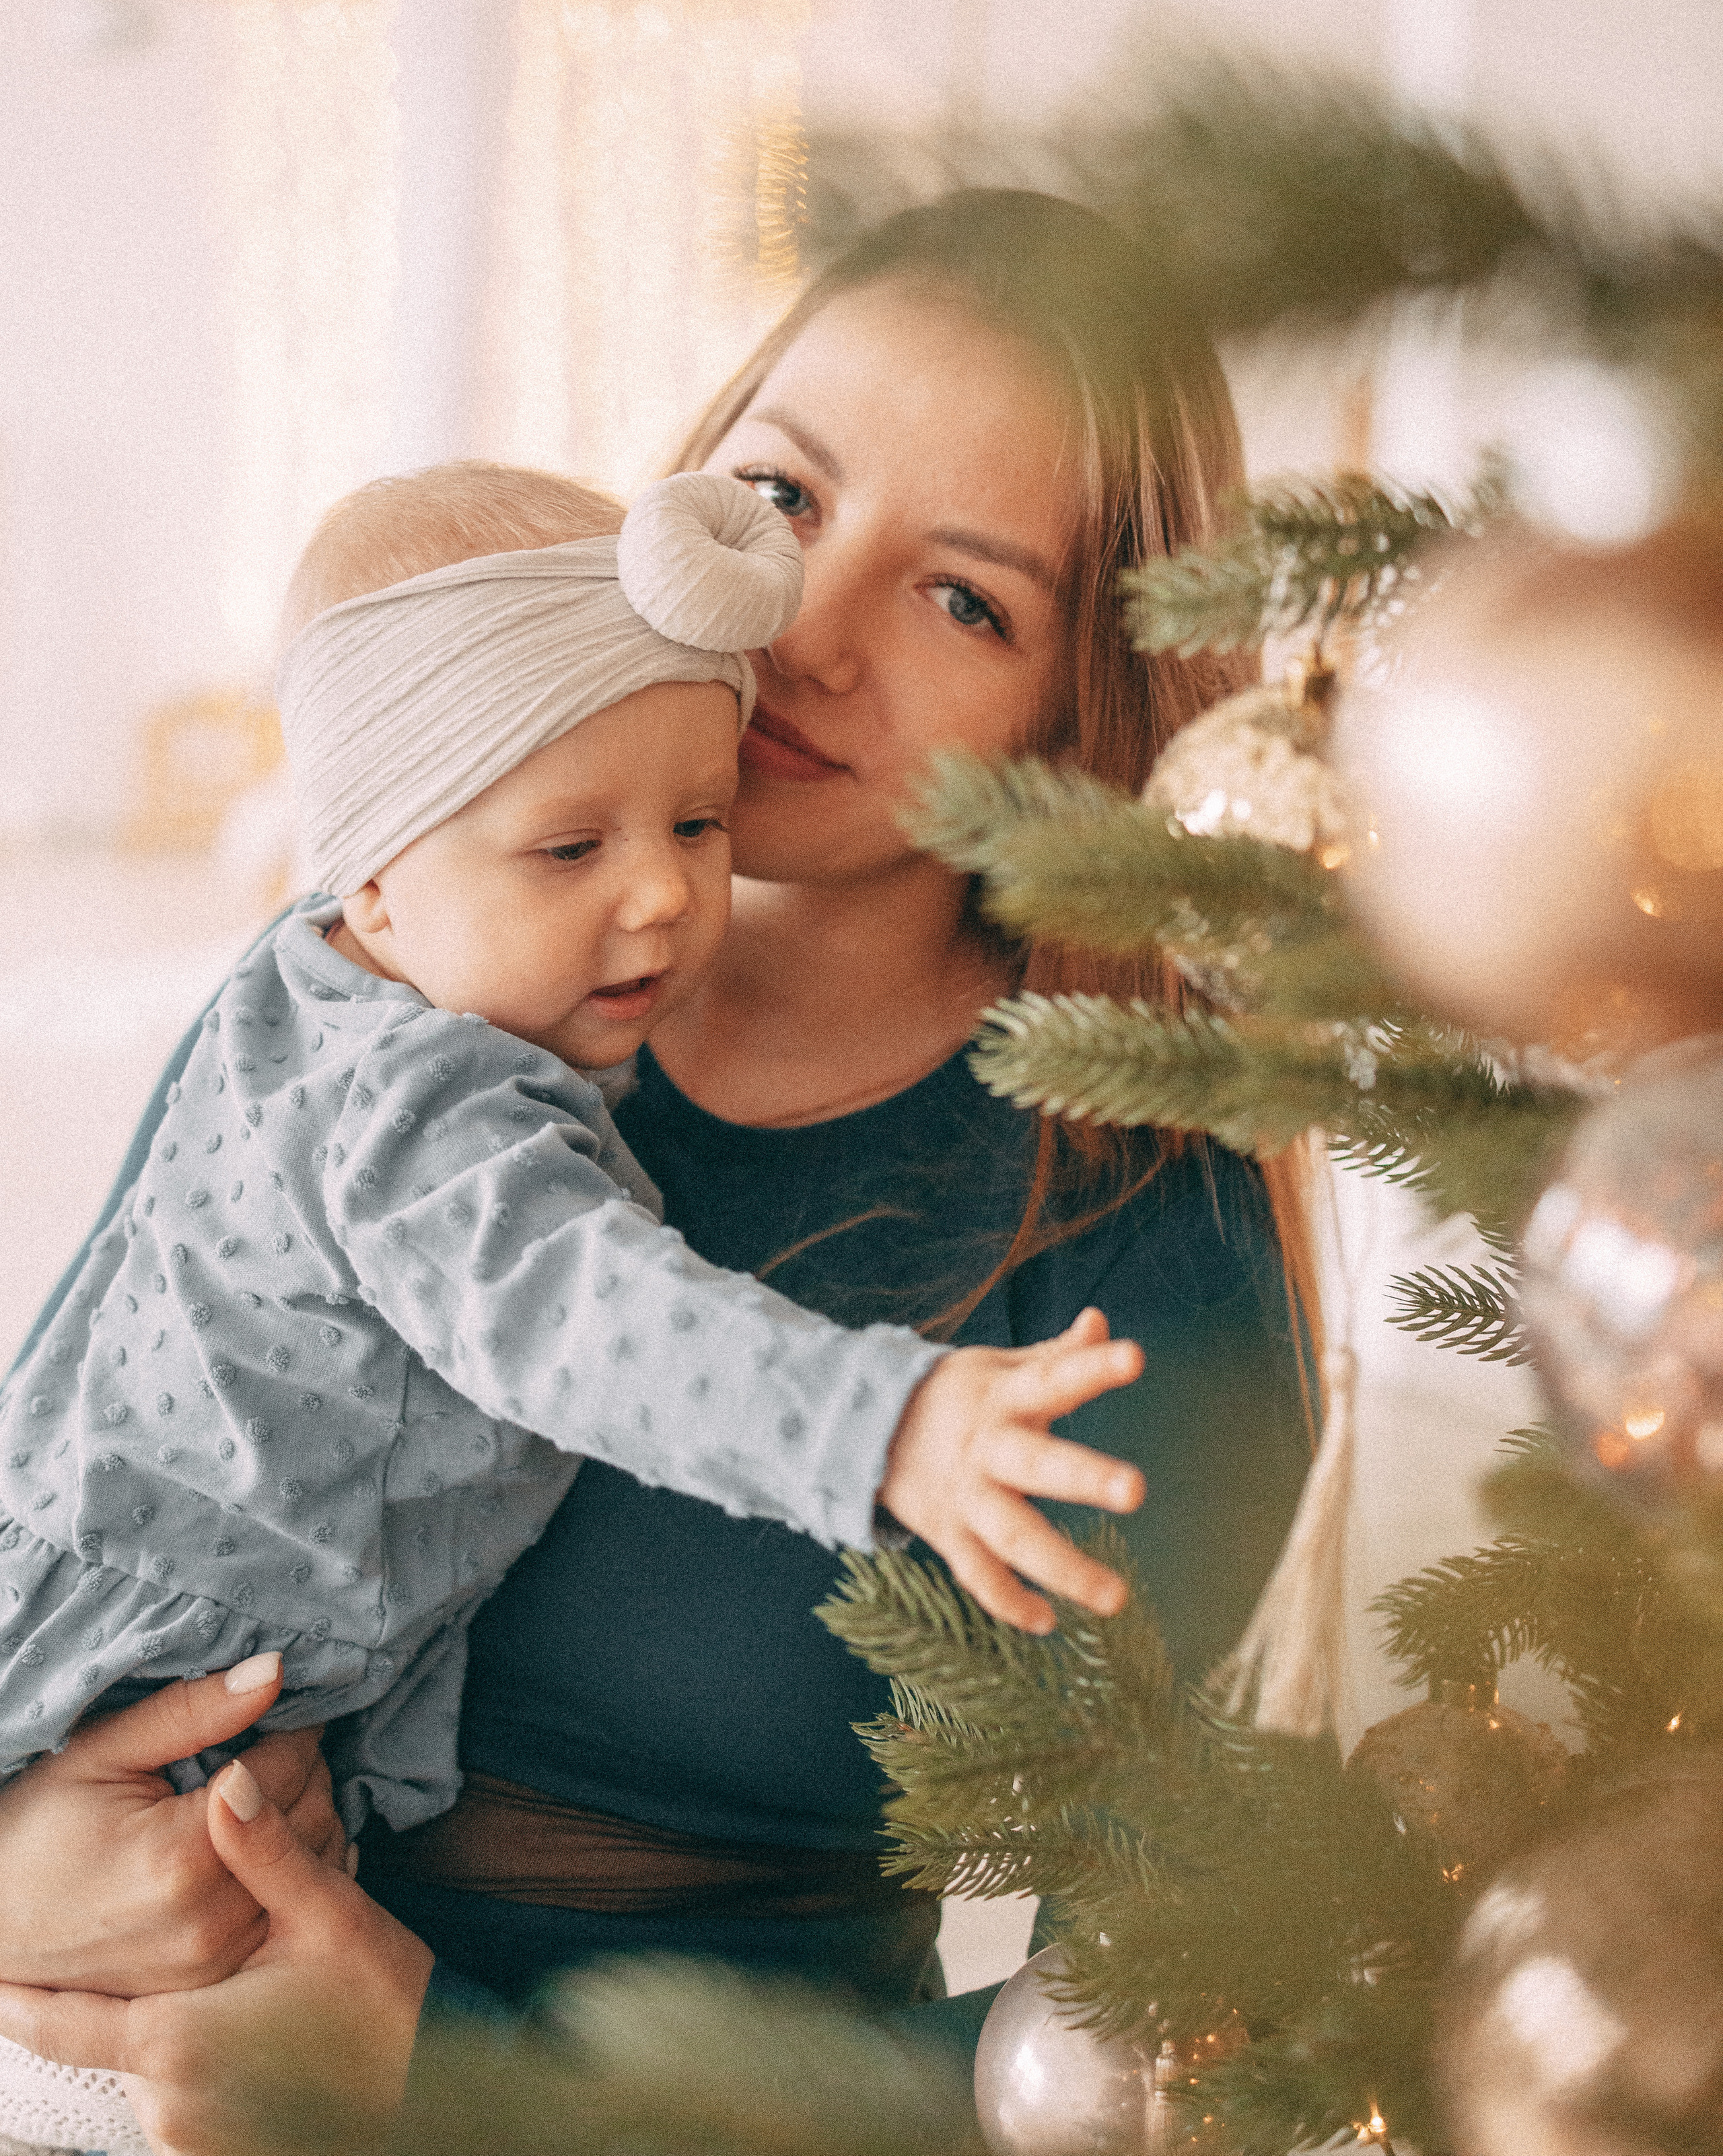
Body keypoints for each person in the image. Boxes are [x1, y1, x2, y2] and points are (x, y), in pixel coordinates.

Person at [0, 191, 1316, 2146]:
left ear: (1088, 708)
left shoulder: (1140, 1214)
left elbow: (1176, 2035)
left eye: (966, 598)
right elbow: (86, 1461)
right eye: (782, 497)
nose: (805, 625)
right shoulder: (376, 989)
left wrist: (470, 2077)